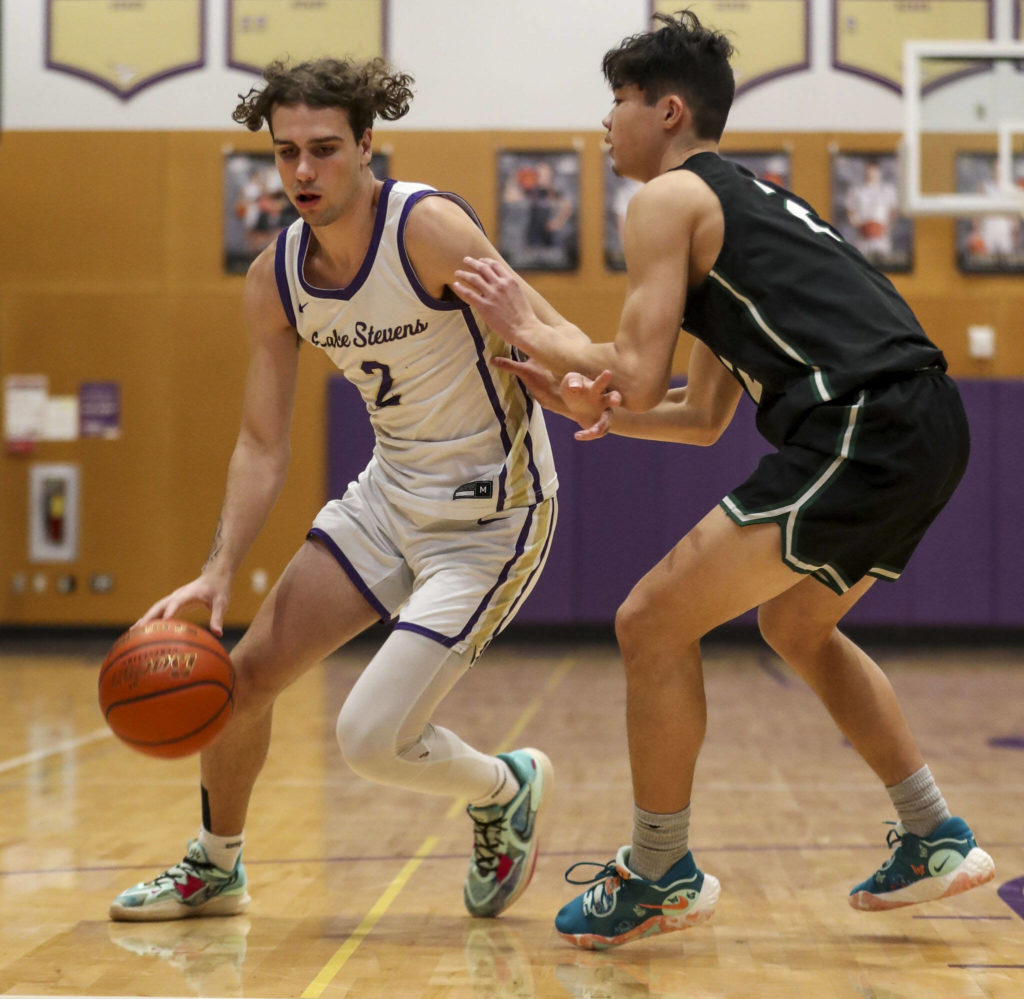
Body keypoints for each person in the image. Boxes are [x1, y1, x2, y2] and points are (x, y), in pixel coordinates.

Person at [453, 10, 995, 950]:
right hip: (919, 421)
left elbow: (630, 361)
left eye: (616, 103)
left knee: (648, 619)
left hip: (863, 420)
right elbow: (700, 415)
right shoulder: (741, 207)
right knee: (795, 623)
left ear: (667, 111)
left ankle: (660, 870)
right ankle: (933, 833)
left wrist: (530, 322)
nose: (604, 124)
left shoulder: (668, 201)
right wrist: (603, 405)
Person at [109, 56, 565, 923]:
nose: (304, 172)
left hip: (492, 519)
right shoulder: (275, 277)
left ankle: (504, 785)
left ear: (367, 145)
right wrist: (216, 571)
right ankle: (218, 864)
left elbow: (538, 322)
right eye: (287, 154)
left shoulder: (427, 228)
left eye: (324, 148)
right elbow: (260, 440)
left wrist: (594, 375)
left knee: (366, 738)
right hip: (388, 501)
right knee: (239, 681)